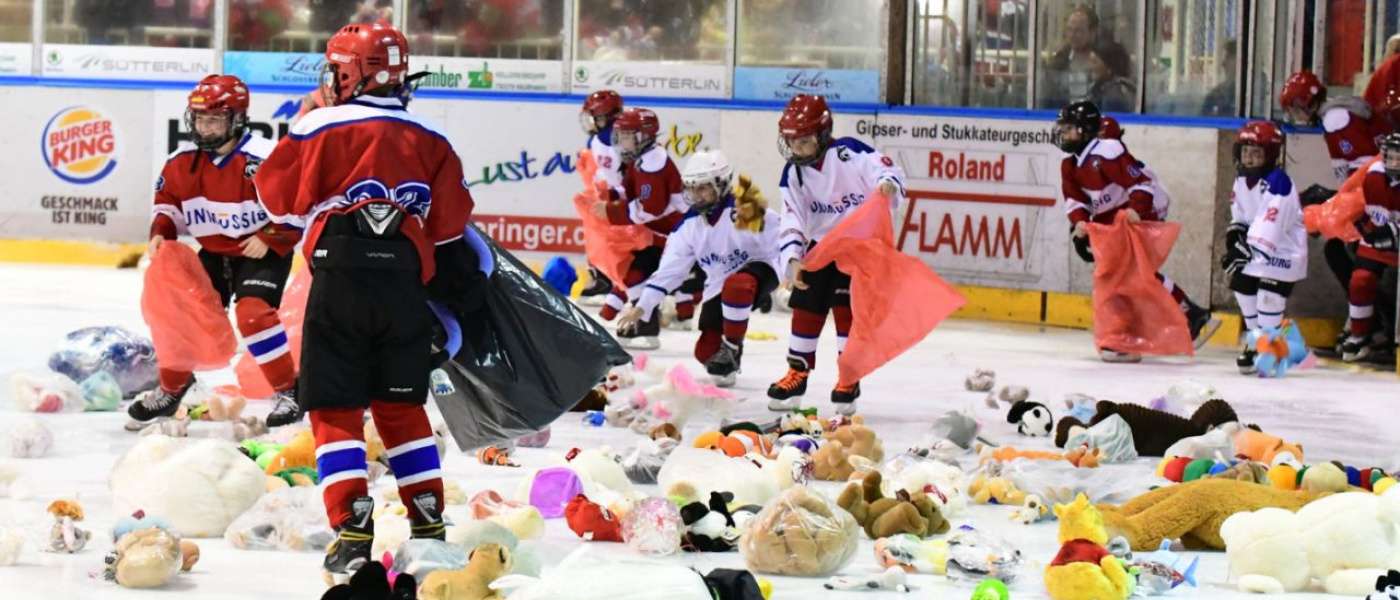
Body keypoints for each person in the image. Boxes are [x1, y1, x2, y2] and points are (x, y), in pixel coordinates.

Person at [253, 21, 475, 581]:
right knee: (402, 410)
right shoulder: (432, 138)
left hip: (340, 288)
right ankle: (429, 527)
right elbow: (449, 229)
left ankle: (352, 534)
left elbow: (277, 204)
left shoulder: (320, 125)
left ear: (349, 73)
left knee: (336, 412)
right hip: (405, 293)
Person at [134, 74, 303, 428]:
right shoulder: (182, 161)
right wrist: (161, 233)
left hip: (261, 252)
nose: (205, 128)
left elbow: (300, 206)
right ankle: (172, 389)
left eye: (214, 120)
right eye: (200, 119)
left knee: (254, 315)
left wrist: (272, 235)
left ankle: (290, 391)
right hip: (213, 252)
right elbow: (167, 206)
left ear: (238, 119)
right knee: (180, 314)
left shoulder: (266, 157)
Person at [766, 94, 905, 415]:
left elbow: (886, 170)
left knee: (846, 307)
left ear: (823, 134)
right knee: (806, 302)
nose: (796, 148)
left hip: (860, 247)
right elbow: (793, 218)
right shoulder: (794, 174)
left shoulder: (848, 153)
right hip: (822, 247)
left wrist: (887, 185)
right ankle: (797, 372)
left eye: (803, 140)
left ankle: (848, 376)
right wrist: (793, 257)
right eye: (791, 141)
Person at [1056, 100, 1217, 362]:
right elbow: (1075, 201)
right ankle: (1177, 318)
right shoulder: (1069, 165)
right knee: (1124, 276)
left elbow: (1140, 184)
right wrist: (1080, 223)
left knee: (1129, 274)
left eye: (1068, 128)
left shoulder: (1107, 152)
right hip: (1110, 224)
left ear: (1085, 130)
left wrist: (1137, 210)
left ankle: (1130, 334)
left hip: (1134, 216)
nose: (1062, 133)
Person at [615, 150, 780, 387]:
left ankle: (731, 347)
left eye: (702, 188)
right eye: (691, 188)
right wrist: (641, 307)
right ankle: (729, 350)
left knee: (739, 285)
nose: (695, 195)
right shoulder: (687, 226)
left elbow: (782, 238)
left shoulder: (746, 207)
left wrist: (792, 270)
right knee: (706, 354)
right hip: (719, 283)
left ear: (721, 184)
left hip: (761, 269)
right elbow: (670, 272)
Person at [591, 107, 686, 349]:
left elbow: (651, 209)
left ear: (642, 136)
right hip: (662, 237)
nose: (620, 140)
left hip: (678, 239)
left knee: (638, 274)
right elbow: (629, 189)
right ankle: (647, 324)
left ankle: (649, 323)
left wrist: (612, 211)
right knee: (633, 275)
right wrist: (608, 194)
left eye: (625, 135)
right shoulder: (641, 159)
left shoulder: (654, 163)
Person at [1221, 121, 1307, 374]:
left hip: (1284, 252)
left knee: (1268, 297)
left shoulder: (1279, 182)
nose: (1249, 158)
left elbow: (1271, 224)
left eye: (1256, 153)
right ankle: (1256, 340)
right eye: (1245, 152)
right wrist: (1235, 238)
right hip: (1258, 250)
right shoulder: (1241, 180)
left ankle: (1271, 349)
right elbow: (1240, 218)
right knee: (1241, 285)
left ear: (1269, 156)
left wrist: (1245, 250)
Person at [1343, 133, 1400, 362]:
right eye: (1392, 156)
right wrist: (1364, 227)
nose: (1394, 162)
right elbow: (1362, 209)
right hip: (1381, 241)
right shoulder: (1373, 174)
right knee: (1360, 280)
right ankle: (1360, 335)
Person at [577, 89, 625, 304]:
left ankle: (607, 281)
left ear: (605, 116)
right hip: (618, 197)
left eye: (595, 116)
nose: (592, 122)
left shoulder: (604, 139)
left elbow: (610, 175)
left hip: (615, 198)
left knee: (604, 237)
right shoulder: (621, 133)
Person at [1040, 4, 1131, 108]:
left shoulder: (1110, 57)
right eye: (1069, 30)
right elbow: (1048, 99)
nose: (1072, 35)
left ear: (1093, 32)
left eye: (1078, 31)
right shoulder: (1059, 62)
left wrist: (1106, 77)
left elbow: (1124, 95)